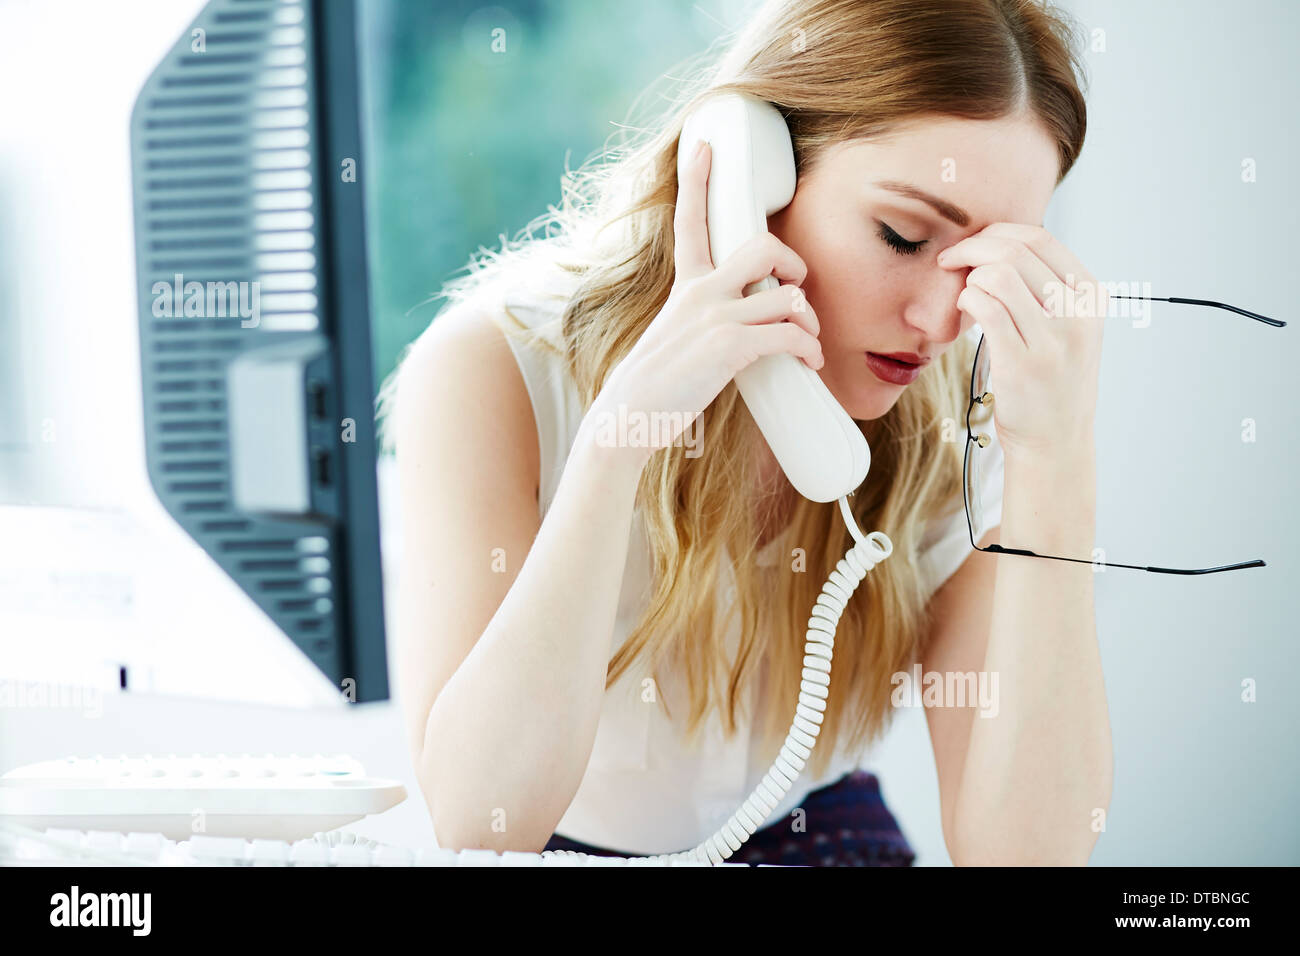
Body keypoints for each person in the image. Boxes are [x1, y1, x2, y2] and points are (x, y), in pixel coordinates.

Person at [382, 0, 1112, 866]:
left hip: (819, 837)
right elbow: (479, 821)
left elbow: (1024, 860)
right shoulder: (492, 368)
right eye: (904, 236)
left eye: (983, 262)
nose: (942, 320)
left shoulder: (956, 416)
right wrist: (619, 439)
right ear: (745, 174)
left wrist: (1057, 463)